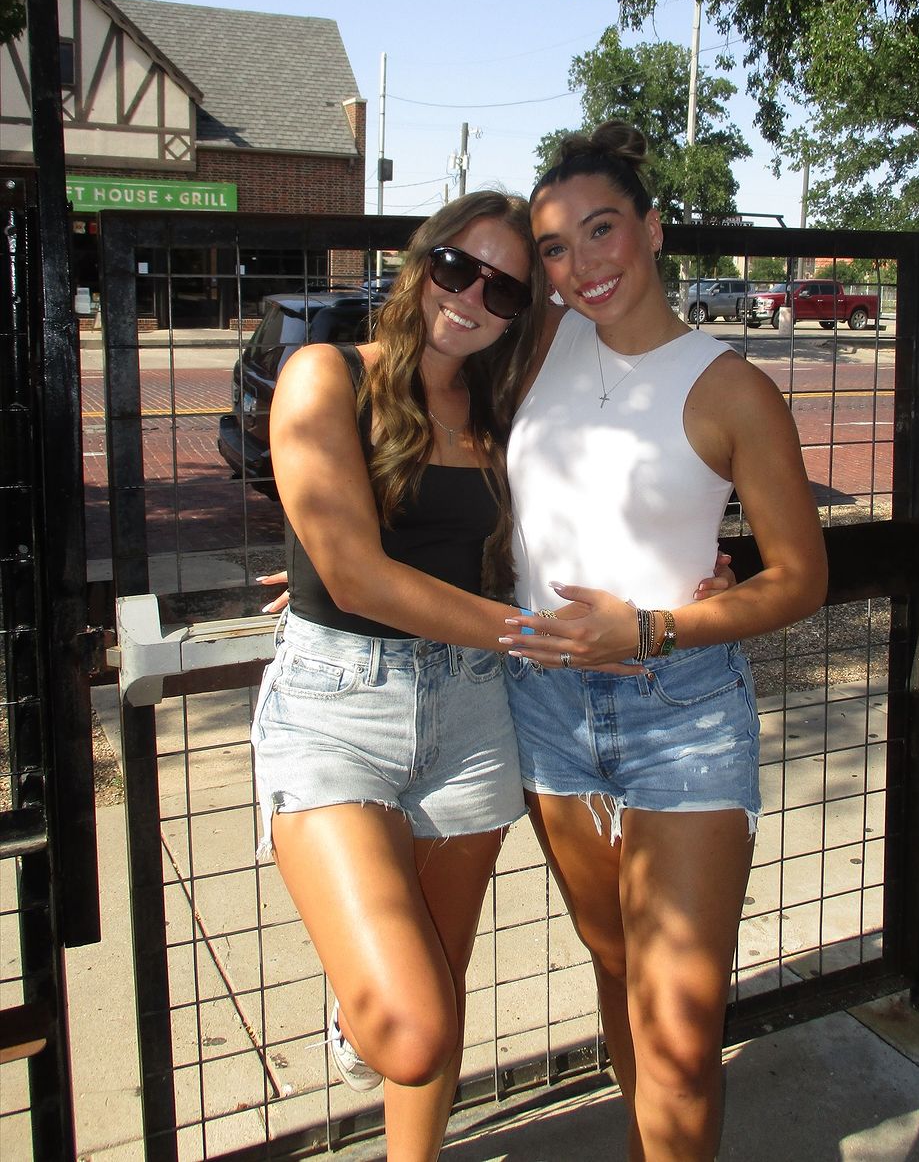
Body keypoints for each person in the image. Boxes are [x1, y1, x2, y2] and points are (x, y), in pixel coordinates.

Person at [251, 188, 735, 1161]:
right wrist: (539, 635)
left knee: (445, 970)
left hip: (474, 712)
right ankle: (356, 1012)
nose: (472, 297)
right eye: (457, 267)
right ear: (420, 260)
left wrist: (692, 578)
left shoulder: (503, 414)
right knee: (408, 1024)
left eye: (505, 289)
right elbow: (356, 576)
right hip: (339, 707)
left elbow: (569, 528)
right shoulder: (325, 374)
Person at [497, 122, 828, 1161]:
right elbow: (424, 398)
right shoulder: (541, 342)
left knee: (680, 1034)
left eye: (603, 230)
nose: (582, 264)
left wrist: (655, 625)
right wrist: (331, 551)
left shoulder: (731, 387)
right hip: (546, 708)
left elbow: (801, 578)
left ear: (652, 229)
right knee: (614, 966)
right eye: (556, 247)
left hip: (679, 710)